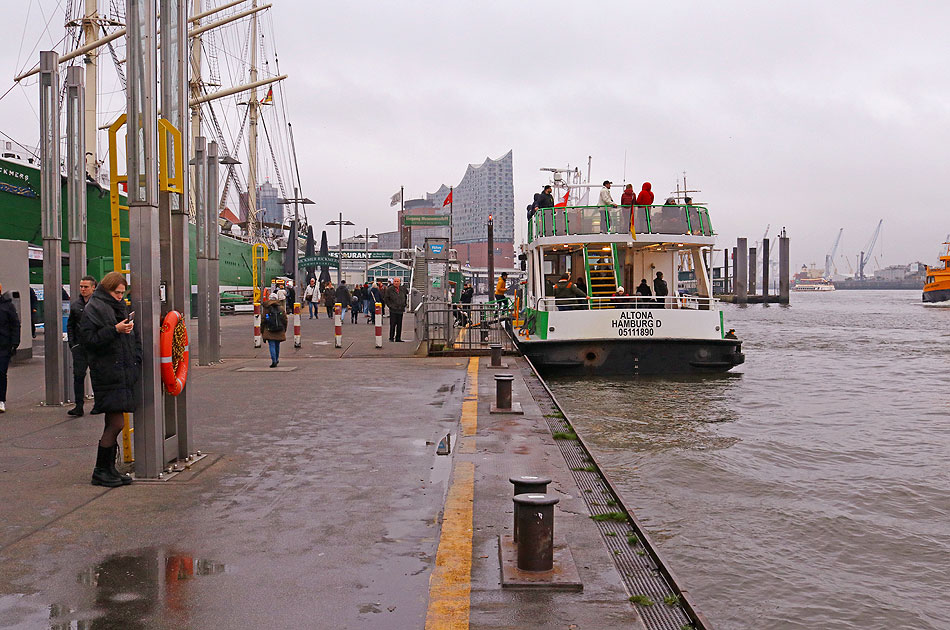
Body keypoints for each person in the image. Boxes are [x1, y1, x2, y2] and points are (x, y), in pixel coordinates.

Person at [79, 271, 140, 487]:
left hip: (118, 371)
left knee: (113, 422)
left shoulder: (114, 307)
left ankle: (109, 469)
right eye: (117, 292)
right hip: (108, 372)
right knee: (116, 422)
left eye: (123, 293)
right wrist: (115, 329)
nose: (120, 297)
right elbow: (89, 340)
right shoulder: (94, 309)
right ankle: (100, 470)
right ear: (107, 289)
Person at [66, 275, 97, 417]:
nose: (83, 289)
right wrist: (73, 344)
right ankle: (79, 406)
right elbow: (70, 325)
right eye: (81, 286)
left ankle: (98, 404)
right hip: (80, 347)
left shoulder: (98, 305)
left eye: (86, 287)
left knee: (97, 375)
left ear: (93, 288)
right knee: (78, 376)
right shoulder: (76, 306)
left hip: (95, 345)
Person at [0, 281, 21, 414]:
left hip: (3, 345)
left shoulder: (7, 306)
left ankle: (1, 400)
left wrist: (14, 343)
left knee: (1, 372)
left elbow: (15, 324)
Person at [261, 292, 288, 368]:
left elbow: (263, 320)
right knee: (277, 345)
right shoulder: (281, 308)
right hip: (279, 329)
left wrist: (262, 330)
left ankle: (274, 360)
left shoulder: (266, 308)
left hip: (269, 329)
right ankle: (276, 358)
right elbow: (285, 319)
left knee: (271, 345)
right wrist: (284, 329)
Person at [384, 276, 409, 342]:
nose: (396, 283)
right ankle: (391, 338)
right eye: (395, 281)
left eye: (397, 281)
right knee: (393, 324)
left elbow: (405, 296)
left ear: (400, 282)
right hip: (393, 310)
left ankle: (398, 338)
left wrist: (404, 304)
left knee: (399, 325)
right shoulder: (389, 289)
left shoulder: (402, 289)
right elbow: (386, 298)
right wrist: (390, 306)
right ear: (393, 282)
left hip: (400, 309)